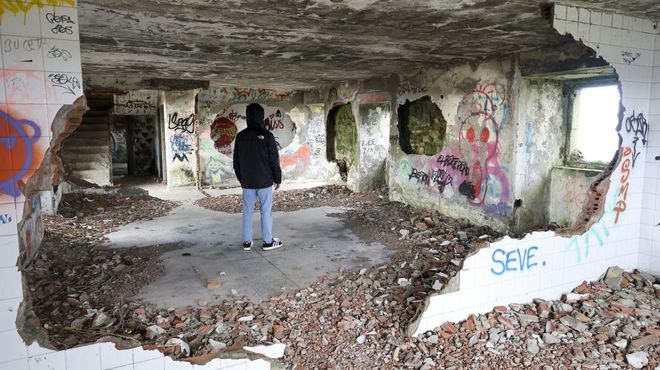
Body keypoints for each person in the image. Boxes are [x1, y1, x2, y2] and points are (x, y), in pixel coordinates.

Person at [233, 103, 283, 251]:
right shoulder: (267, 136)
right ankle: (268, 242)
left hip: (247, 182)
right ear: (261, 117)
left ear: (248, 117)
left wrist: (241, 179)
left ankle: (247, 242)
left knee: (247, 211)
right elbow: (274, 160)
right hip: (265, 181)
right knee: (265, 211)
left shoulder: (240, 136)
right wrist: (277, 179)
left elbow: (236, 162)